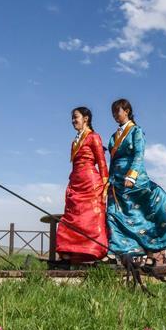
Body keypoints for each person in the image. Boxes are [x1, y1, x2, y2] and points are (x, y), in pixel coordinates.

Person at [106, 98, 166, 260]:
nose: (114, 115)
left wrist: (132, 175)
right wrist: (109, 178)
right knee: (113, 213)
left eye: (117, 111)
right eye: (112, 112)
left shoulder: (136, 131)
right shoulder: (114, 136)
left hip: (133, 179)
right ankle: (119, 251)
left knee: (142, 215)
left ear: (126, 111)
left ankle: (151, 250)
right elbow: (112, 160)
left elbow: (139, 154)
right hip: (116, 181)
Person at [54, 107, 109, 262]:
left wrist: (105, 186)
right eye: (72, 118)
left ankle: (95, 250)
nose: (73, 121)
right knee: (72, 216)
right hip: (76, 182)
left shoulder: (94, 137)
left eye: (76, 117)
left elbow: (102, 163)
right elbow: (74, 166)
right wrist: (71, 183)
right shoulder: (74, 142)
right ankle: (68, 250)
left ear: (86, 118)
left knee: (91, 218)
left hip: (91, 183)